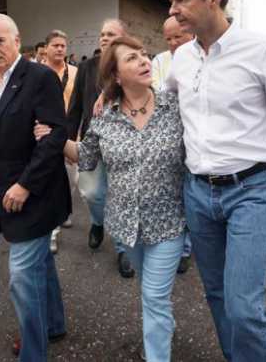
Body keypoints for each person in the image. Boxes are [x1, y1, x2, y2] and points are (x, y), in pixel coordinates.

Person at [167, 0, 266, 361]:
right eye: (171, 0)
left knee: (244, 306)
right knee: (216, 294)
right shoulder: (181, 59)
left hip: (251, 190)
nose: (172, 9)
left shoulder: (264, 51)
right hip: (198, 192)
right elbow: (159, 105)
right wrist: (110, 96)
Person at [36, 35, 186, 362]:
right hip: (126, 225)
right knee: (151, 290)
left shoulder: (174, 106)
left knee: (154, 296)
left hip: (169, 222)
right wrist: (55, 137)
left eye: (144, 55)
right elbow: (85, 157)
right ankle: (164, 324)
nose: (145, 61)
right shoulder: (104, 117)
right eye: (132, 58)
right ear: (116, 75)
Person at [0, 13, 69, 362]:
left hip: (37, 194)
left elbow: (54, 138)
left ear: (17, 40)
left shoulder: (40, 78)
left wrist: (24, 185)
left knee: (22, 276)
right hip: (9, 196)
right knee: (40, 266)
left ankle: (34, 354)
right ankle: (53, 324)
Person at [67, 18, 135, 278]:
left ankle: (122, 248)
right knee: (92, 193)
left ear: (123, 38)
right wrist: (68, 142)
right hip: (91, 142)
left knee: (121, 197)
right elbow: (75, 108)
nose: (104, 38)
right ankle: (97, 222)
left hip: (123, 144)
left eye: (111, 34)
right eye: (102, 34)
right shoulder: (86, 67)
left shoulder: (131, 65)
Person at [152, 17, 195, 274]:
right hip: (169, 138)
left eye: (177, 37)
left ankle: (186, 249)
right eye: (168, 38)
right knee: (174, 194)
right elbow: (156, 92)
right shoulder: (160, 61)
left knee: (189, 193)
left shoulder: (202, 58)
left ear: (190, 32)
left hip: (195, 140)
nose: (172, 43)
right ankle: (176, 244)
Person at [42, 29, 78, 254]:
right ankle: (52, 231)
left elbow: (81, 105)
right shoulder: (35, 72)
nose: (59, 49)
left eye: (63, 45)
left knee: (71, 180)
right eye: (55, 45)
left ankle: (64, 211)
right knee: (51, 184)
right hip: (45, 136)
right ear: (46, 48)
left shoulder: (76, 72)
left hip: (71, 135)